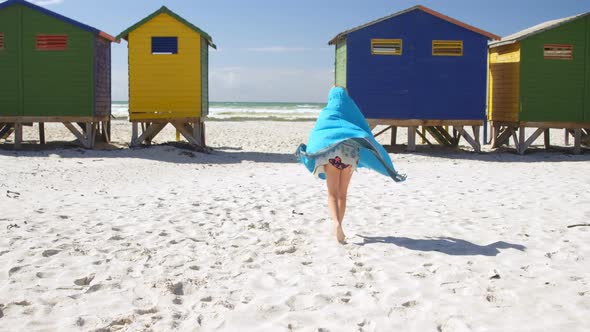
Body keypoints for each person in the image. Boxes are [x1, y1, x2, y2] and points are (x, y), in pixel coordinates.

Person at [296, 87, 406, 244]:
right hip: (350, 156)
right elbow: (363, 128)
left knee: (332, 194)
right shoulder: (352, 111)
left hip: (332, 156)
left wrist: (311, 151)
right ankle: (340, 224)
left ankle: (336, 224)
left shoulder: (327, 113)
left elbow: (318, 134)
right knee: (342, 194)